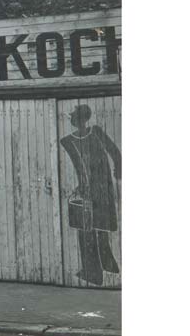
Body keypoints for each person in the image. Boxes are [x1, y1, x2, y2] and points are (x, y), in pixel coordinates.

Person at [60, 103, 121, 285]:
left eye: (72, 116)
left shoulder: (76, 138)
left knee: (90, 229)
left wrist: (118, 176)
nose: (71, 118)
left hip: (97, 190)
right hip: (101, 189)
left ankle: (97, 271)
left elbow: (115, 155)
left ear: (77, 119)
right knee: (97, 227)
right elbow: (115, 155)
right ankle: (104, 267)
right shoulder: (75, 138)